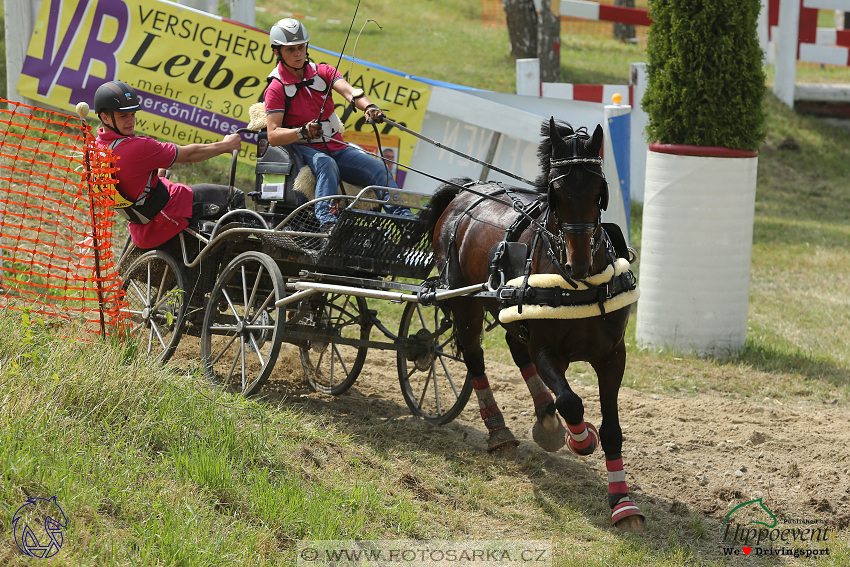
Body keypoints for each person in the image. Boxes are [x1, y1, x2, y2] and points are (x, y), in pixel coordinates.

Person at [263, 18, 411, 233]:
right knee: (326, 164)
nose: (298, 54)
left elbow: (351, 92)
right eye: (290, 50)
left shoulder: (323, 72)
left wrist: (369, 107)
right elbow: (273, 135)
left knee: (379, 168)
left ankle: (404, 219)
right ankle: (327, 221)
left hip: (337, 147)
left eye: (301, 47)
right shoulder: (276, 88)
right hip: (304, 150)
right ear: (277, 52)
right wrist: (302, 131)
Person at [93, 80, 245, 250]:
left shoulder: (97, 150)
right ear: (104, 117)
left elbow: (130, 185)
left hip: (142, 224)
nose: (131, 121)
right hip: (170, 212)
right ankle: (238, 264)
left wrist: (155, 174)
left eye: (133, 114)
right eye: (123, 116)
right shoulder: (138, 147)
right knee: (235, 197)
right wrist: (226, 146)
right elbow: (190, 155)